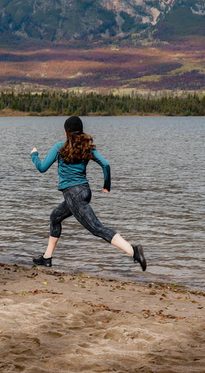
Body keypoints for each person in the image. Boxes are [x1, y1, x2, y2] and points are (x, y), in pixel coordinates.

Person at [30, 116, 146, 271]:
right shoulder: (87, 148)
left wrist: (34, 156)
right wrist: (107, 184)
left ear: (66, 132)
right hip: (84, 191)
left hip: (73, 195)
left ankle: (134, 251)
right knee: (55, 217)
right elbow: (106, 164)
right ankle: (47, 258)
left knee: (96, 228)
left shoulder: (59, 147)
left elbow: (42, 168)